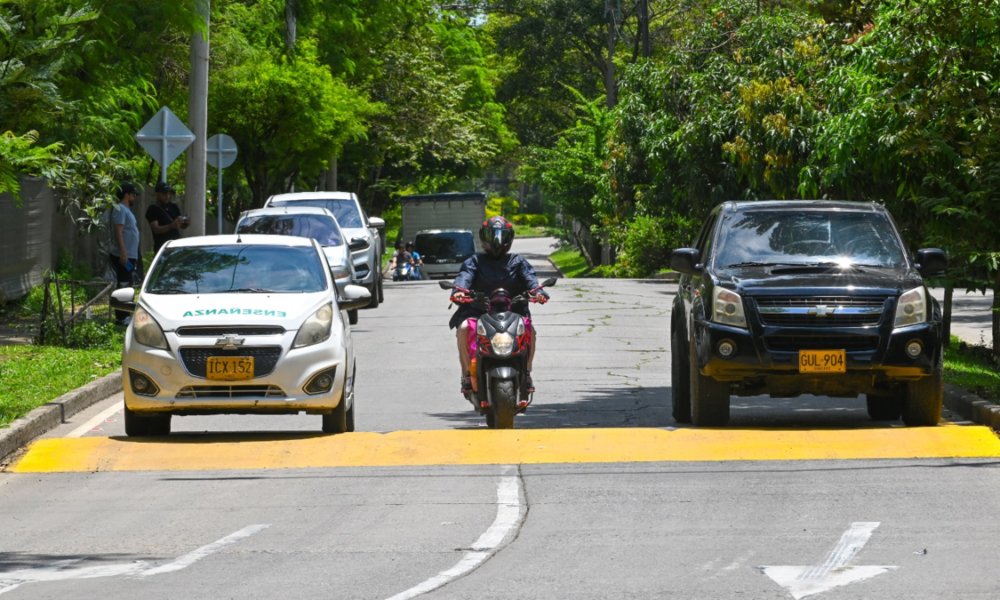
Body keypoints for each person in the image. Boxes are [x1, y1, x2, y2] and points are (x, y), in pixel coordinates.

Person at [448, 216, 547, 397]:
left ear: (509, 238)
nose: (497, 241)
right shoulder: (474, 262)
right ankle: (467, 375)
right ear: (483, 237)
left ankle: (527, 372)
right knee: (463, 328)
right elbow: (464, 277)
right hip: (478, 312)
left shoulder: (518, 262)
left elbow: (531, 280)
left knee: (529, 330)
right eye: (492, 235)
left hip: (513, 312)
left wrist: (537, 292)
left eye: (502, 236)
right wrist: (459, 291)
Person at [109, 182, 142, 322]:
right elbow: (118, 231)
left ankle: (126, 314)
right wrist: (123, 252)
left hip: (129, 254)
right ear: (127, 195)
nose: (134, 197)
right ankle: (122, 316)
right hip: (123, 255)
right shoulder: (120, 209)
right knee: (123, 284)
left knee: (128, 283)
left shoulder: (126, 210)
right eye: (133, 194)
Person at [145, 181, 189, 252]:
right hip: (162, 248)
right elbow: (156, 229)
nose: (167, 196)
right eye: (164, 193)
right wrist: (171, 226)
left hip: (176, 246)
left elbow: (180, 225)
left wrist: (185, 223)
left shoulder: (173, 206)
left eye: (169, 193)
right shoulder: (153, 209)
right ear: (157, 194)